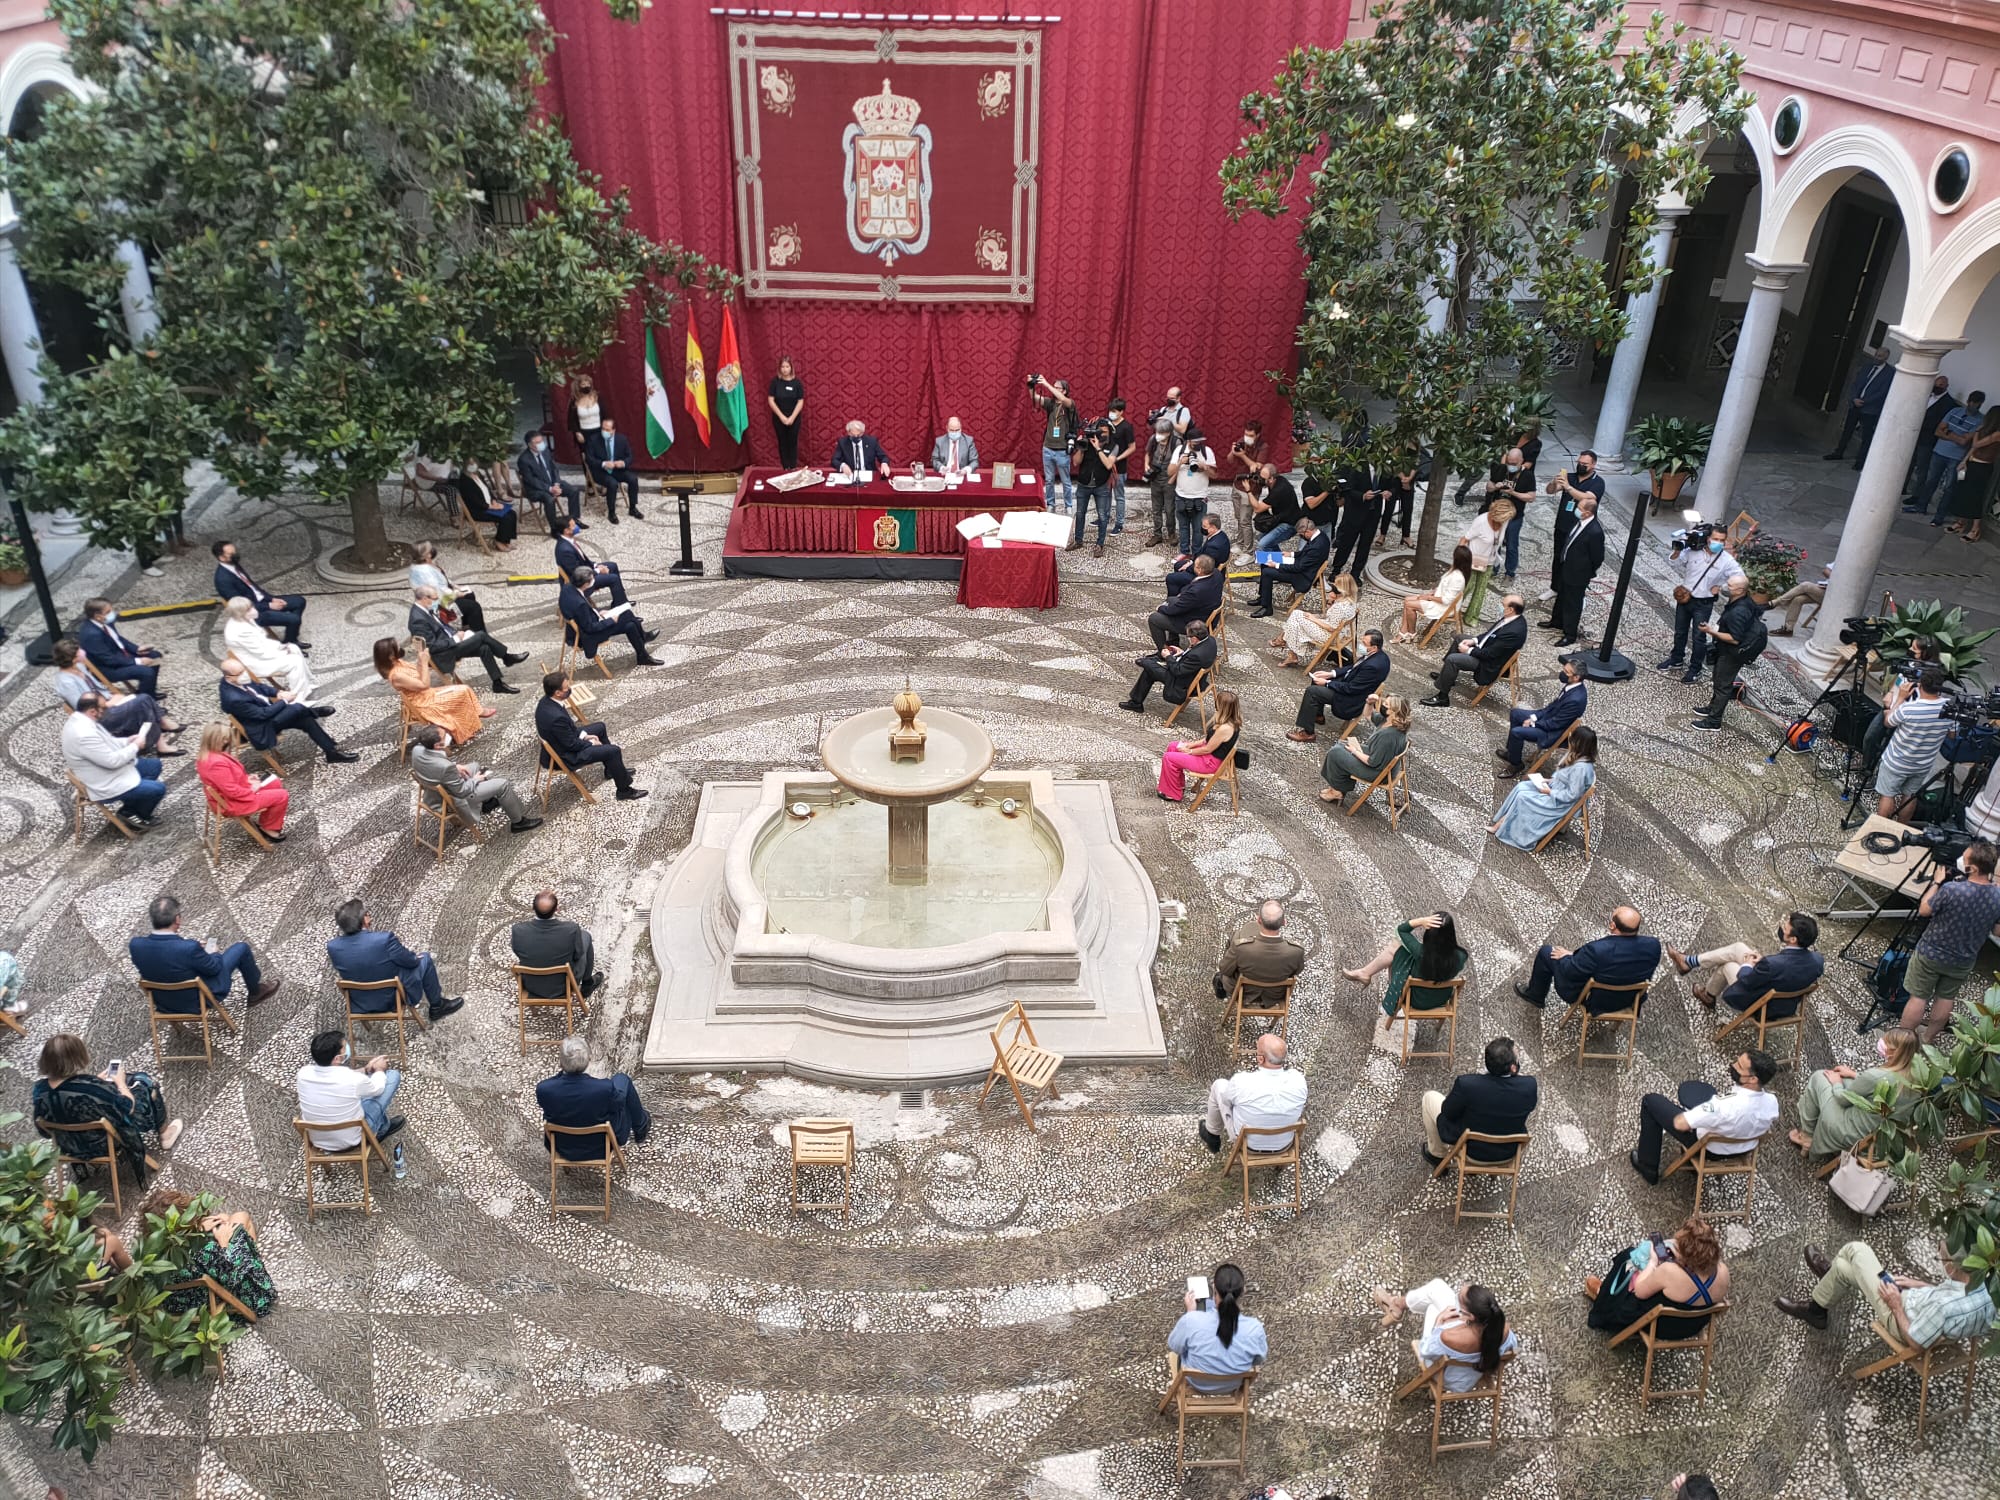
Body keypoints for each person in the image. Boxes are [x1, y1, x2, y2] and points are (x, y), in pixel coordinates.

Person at [1776, 1238, 1995, 1345]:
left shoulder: (1944, 1308)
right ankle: (1822, 1298)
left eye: (1942, 1257)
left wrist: (1896, 1306)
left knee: (1856, 1250)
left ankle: (1824, 1288)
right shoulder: (1985, 1284)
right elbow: (1948, 1297)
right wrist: (1919, 1283)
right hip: (1919, 1307)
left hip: (1902, 1319)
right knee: (1842, 1269)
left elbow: (1916, 1342)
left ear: (1953, 1267)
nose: (1939, 1258)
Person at [33, 1033, 183, 1171]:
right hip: (104, 1144)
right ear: (77, 1057)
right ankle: (165, 1134)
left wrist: (95, 1081)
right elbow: (128, 1107)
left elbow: (44, 1132)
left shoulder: (39, 1091)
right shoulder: (92, 1089)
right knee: (144, 1082)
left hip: (69, 1147)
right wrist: (120, 1082)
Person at [1900, 840, 2000, 1041]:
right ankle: (1928, 1039)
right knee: (1945, 998)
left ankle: (1903, 1042)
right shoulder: (1997, 896)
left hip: (1931, 953)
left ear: (1972, 868)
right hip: (1963, 959)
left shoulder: (1952, 889)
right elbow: (1997, 931)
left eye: (1965, 858)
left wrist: (1936, 882)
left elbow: (1924, 910)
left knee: (1918, 997)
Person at [1629, 1049, 1779, 1183]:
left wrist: (1694, 1116)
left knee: (1651, 1102)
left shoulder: (1723, 1106)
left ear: (1753, 1079)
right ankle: (1689, 1162)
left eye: (1739, 1066)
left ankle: (1647, 1167)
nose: (1733, 1065)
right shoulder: (1772, 1102)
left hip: (1708, 1148)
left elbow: (1680, 1123)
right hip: (1742, 1149)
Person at [1584, 1214, 1730, 1338]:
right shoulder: (1723, 1272)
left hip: (1661, 1325)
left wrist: (1653, 1262)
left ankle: (1603, 1297)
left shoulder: (1669, 1271)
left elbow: (1639, 1291)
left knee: (1627, 1258)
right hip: (1692, 1326)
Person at [130, 894, 280, 1012]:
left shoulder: (135, 945)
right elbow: (214, 969)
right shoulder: (188, 948)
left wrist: (193, 950)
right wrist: (213, 953)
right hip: (197, 1001)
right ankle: (255, 992)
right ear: (177, 919)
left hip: (164, 1004)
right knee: (241, 948)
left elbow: (166, 958)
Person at [145, 1190, 278, 1321]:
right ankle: (254, 1259)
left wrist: (199, 1227)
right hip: (210, 1295)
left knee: (224, 1218)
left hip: (179, 1299)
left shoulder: (151, 1249)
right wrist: (224, 1243)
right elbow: (230, 1276)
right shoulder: (206, 1251)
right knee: (241, 1217)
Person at [326, 897, 466, 1022]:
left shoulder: (333, 947)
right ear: (364, 919)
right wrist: (414, 958)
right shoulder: (384, 940)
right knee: (425, 959)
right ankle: (437, 1006)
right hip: (392, 999)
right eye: (367, 914)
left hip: (361, 1002)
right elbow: (411, 962)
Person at [1791, 1026, 1918, 1157]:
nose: (1881, 1043)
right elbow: (1874, 1088)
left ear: (1893, 1052)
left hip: (1852, 1133)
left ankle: (1806, 1137)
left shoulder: (1875, 1076)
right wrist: (1855, 1075)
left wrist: (1837, 1083)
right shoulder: (1917, 1079)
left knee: (1819, 1077)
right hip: (1880, 1137)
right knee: (1846, 1080)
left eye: (1885, 1043)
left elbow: (1843, 1100)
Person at [1512, 895, 1654, 1012]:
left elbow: (1571, 971)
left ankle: (1535, 995)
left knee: (1546, 952)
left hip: (1595, 1000)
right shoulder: (1653, 947)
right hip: (1629, 999)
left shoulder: (1596, 951)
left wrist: (1569, 956)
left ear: (1612, 926)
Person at [1664, 911, 1824, 1014]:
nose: (1782, 928)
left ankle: (1708, 995)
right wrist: (1761, 962)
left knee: (1728, 966)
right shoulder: (1818, 960)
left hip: (1762, 1005)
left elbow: (1747, 980)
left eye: (1785, 929)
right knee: (1738, 948)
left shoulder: (1772, 964)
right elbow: (1786, 971)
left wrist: (1748, 965)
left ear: (1793, 939)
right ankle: (1689, 962)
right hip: (1784, 1004)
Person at [1368, 1281, 1516, 1390]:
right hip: (1476, 1371)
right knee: (1437, 1288)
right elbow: (1511, 1348)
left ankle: (1396, 1306)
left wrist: (1438, 1323)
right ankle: (1398, 1304)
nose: (1457, 1294)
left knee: (1433, 1307)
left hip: (1449, 1378)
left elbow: (1425, 1351)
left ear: (1470, 1316)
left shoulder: (1449, 1336)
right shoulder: (1502, 1327)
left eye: (1458, 1298)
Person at [1416, 1036, 1536, 1166]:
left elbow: (1447, 1112)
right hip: (1507, 1153)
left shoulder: (1467, 1084)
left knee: (1429, 1098)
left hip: (1470, 1151)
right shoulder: (1529, 1086)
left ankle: (1438, 1155)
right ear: (1513, 1068)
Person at [408, 723, 544, 832]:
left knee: (475, 766)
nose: (448, 735)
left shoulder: (417, 749)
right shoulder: (445, 767)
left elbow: (435, 765)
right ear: (437, 745)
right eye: (444, 736)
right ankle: (518, 822)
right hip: (457, 796)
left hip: (438, 786)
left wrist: (455, 766)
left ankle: (486, 803)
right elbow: (462, 791)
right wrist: (476, 780)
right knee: (503, 785)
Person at [536, 671, 648, 801]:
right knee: (613, 751)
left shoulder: (546, 701)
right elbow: (571, 744)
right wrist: (591, 743)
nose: (569, 689)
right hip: (566, 756)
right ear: (558, 693)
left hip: (562, 742)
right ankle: (624, 791)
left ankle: (611, 769)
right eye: (566, 688)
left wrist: (585, 736)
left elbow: (568, 731)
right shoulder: (556, 718)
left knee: (600, 727)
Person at [61, 692, 169, 827]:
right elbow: (112, 761)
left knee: (154, 766)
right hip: (105, 781)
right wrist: (135, 746)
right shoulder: (83, 735)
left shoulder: (83, 720)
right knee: (158, 789)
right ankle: (136, 814)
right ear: (92, 711)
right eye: (103, 708)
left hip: (108, 771)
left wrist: (128, 741)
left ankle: (130, 807)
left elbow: (108, 742)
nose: (107, 709)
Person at [219, 658, 355, 764]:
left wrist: (278, 693)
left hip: (269, 714)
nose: (244, 674)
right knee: (296, 708)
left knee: (305, 719)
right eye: (240, 673)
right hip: (263, 726)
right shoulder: (233, 698)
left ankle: (331, 752)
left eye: (244, 670)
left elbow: (259, 687)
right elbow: (263, 714)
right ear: (229, 677)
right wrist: (284, 701)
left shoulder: (235, 679)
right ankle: (314, 711)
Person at [539, 1034, 651, 1160]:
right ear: (588, 1060)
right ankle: (641, 1127)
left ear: (560, 1062)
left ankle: (641, 1124)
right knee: (621, 1079)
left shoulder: (544, 1089)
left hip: (562, 1147)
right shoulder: (604, 1088)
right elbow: (618, 1105)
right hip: (602, 1147)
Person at [52, 638, 177, 750]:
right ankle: (161, 729)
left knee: (143, 702)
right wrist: (107, 704)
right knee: (143, 699)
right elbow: (83, 708)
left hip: (106, 703)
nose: (82, 652)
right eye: (79, 651)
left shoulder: (79, 666)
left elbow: (97, 686)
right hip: (100, 716)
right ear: (72, 658)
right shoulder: (65, 682)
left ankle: (160, 733)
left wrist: (111, 696)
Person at [1345, 907, 1467, 1021]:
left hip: (1414, 1000)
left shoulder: (1420, 952)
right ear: (1451, 934)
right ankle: (1365, 973)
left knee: (1396, 948)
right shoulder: (1461, 956)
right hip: (1440, 1000)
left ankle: (1365, 973)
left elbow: (1400, 930)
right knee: (1399, 950)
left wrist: (1421, 921)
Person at [1658, 524, 1745, 682]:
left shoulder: (1727, 561)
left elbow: (1740, 579)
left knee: (1699, 637)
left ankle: (1695, 668)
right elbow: (1674, 563)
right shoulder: (1693, 551)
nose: (1718, 542)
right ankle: (1676, 659)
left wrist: (1722, 587)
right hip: (1686, 598)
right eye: (1715, 539)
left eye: (1722, 540)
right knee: (1680, 631)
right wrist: (1677, 550)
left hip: (1704, 603)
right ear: (1708, 538)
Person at [1490, 724, 1598, 850]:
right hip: (1556, 789)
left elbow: (1572, 795)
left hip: (1560, 802)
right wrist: (1549, 780)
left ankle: (1502, 827)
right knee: (1522, 787)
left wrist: (1549, 792)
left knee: (1523, 797)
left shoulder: (1581, 768)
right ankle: (1502, 824)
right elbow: (1567, 780)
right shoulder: (1577, 757)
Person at [1165, 1263, 1267, 1394]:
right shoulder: (1255, 1328)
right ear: (1242, 1292)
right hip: (1232, 1385)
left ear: (1214, 1289)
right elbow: (1258, 1360)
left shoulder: (1192, 1321)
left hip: (1197, 1382)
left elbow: (1175, 1346)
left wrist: (1191, 1314)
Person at [1687, 574, 1770, 732]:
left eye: (1730, 585)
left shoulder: (1738, 611)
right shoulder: (1743, 601)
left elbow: (1734, 639)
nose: (1726, 587)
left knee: (1722, 686)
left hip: (1732, 653)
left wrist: (1710, 631)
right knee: (1718, 680)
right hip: (1727, 650)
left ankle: (1714, 721)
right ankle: (1712, 708)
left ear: (1740, 590)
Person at [1198, 1033, 1305, 1153]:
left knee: (1219, 1085)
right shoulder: (1299, 1080)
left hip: (1247, 1146)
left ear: (1261, 1059)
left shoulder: (1242, 1081)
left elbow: (1226, 1101)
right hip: (1284, 1145)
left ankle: (1212, 1134)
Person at [296, 1029, 404, 1148]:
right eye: (344, 1047)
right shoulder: (352, 1079)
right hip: (353, 1140)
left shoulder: (303, 1074)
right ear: (337, 1058)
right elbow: (377, 1089)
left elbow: (342, 1077)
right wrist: (379, 1070)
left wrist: (366, 1070)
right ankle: (381, 1131)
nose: (347, 1048)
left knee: (357, 1094)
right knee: (392, 1076)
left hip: (318, 1141)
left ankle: (383, 1125)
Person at [410, 585, 528, 692]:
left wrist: (456, 634)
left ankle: (498, 684)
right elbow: (431, 647)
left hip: (450, 645)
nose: (437, 601)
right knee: (481, 635)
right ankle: (506, 657)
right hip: (443, 654)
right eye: (435, 599)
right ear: (424, 598)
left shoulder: (424, 610)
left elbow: (442, 628)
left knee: (484, 648)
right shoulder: (418, 619)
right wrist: (455, 639)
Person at [374, 636, 493, 740]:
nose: (400, 647)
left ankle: (477, 713)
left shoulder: (399, 662)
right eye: (397, 646)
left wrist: (420, 659)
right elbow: (424, 685)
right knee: (462, 691)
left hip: (427, 695)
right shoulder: (396, 675)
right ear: (390, 656)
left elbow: (418, 673)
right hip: (424, 703)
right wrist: (424, 663)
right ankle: (471, 721)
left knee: (464, 689)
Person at [1873, 665, 1950, 820]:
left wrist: (1900, 698)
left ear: (1920, 684)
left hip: (1897, 761)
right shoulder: (1949, 709)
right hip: (1922, 764)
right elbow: (1952, 733)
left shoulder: (1909, 708)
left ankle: (1880, 828)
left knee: (1887, 795)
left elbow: (1888, 722)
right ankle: (1902, 828)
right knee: (1909, 796)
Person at [1421, 595, 1527, 708]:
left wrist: (1469, 650)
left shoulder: (1514, 632)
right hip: (1487, 649)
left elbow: (1489, 654)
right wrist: (1473, 641)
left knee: (1453, 660)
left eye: (1502, 605)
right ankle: (1447, 677)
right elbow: (1490, 634)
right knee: (1460, 638)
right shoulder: (1512, 617)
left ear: (1510, 609)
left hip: (1488, 663)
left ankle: (1442, 697)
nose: (1500, 606)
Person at [1288, 629, 1392, 742]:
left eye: (1364, 643)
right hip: (1350, 685)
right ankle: (1318, 715)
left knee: (1312, 692)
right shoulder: (1378, 656)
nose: (1361, 645)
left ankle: (1308, 733)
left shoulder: (1373, 666)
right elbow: (1354, 667)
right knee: (1318, 679)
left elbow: (1351, 688)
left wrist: (1327, 683)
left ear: (1374, 647)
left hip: (1350, 699)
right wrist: (1331, 674)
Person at [195, 721, 289, 840]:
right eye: (224, 739)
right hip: (233, 802)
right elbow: (232, 791)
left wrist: (246, 779)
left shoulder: (208, 755)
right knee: (282, 796)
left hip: (231, 796)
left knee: (275, 783)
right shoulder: (215, 763)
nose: (227, 741)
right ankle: (269, 828)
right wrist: (251, 789)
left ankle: (268, 823)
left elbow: (225, 781)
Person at [1496, 655, 1587, 777]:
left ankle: (1516, 765)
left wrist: (1534, 723)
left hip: (1551, 733)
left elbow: (1556, 723)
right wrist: (1535, 717)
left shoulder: (1575, 700)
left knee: (1516, 732)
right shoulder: (1571, 686)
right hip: (1548, 720)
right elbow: (1551, 707)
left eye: (1566, 672)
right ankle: (1512, 753)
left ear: (1576, 677)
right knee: (1515, 713)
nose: (1562, 673)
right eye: (1564, 669)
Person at [1906, 387, 1984, 521]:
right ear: (1968, 400)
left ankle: (1940, 516)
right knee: (1930, 480)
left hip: (1957, 457)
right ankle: (1921, 506)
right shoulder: (1955, 411)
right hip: (1939, 451)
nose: (1972, 405)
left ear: (1980, 404)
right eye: (1971, 402)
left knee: (1949, 487)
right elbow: (1938, 431)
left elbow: (1964, 441)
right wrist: (1955, 435)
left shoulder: (1980, 420)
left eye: (1976, 403)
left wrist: (1947, 432)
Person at [1319, 693, 1410, 805]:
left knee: (1336, 753)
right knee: (1342, 745)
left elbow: (1372, 762)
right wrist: (1369, 703)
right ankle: (1337, 788)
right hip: (1382, 764)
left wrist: (1355, 751)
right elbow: (1368, 715)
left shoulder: (1388, 736)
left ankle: (1337, 791)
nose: (1382, 705)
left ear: (1394, 710)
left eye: (1386, 704)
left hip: (1378, 773)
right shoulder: (1389, 721)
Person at [1211, 898, 1306, 1006]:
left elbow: (1225, 969)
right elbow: (1296, 971)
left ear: (1259, 920)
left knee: (1221, 975)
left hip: (1243, 992)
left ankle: (1221, 993)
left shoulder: (1241, 947)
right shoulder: (1296, 951)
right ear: (1284, 922)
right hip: (1275, 995)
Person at [561, 567, 665, 666]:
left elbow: (583, 614)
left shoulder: (567, 588)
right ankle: (643, 648)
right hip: (588, 636)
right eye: (592, 580)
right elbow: (590, 627)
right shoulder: (580, 604)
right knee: (629, 622)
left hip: (586, 624)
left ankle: (643, 651)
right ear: (585, 584)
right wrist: (611, 620)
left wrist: (598, 612)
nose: (594, 581)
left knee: (629, 621)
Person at [211, 540, 308, 646]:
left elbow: (252, 586)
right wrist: (269, 606)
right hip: (254, 612)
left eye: (235, 552)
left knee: (299, 601)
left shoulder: (234, 565)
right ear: (221, 557)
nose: (236, 555)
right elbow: (242, 606)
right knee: (294, 619)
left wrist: (271, 598)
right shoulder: (223, 580)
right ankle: (291, 641)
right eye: (231, 554)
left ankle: (291, 638)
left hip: (261, 601)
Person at [513, 890, 604, 999]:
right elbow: (577, 955)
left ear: (533, 908)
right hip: (565, 986)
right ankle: (587, 984)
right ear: (557, 909)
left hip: (531, 986)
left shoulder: (518, 930)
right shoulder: (571, 930)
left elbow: (518, 952)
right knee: (586, 936)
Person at [222, 596, 317, 702]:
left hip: (258, 654)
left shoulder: (245, 619)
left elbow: (263, 640)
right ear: (241, 613)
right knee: (295, 661)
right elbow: (261, 653)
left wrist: (281, 647)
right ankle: (297, 696)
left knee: (293, 647)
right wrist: (282, 652)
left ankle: (307, 685)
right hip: (254, 662)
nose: (253, 609)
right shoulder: (240, 631)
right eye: (249, 609)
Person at [1158, 688, 1241, 802]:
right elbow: (1207, 740)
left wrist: (1190, 751)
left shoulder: (1225, 728)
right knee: (1173, 746)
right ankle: (1178, 785)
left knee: (1168, 758)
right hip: (1208, 755)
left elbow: (1207, 749)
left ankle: (1173, 794)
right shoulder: (1228, 721)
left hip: (1209, 762)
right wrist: (1190, 745)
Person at [1122, 619, 1217, 713]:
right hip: (1191, 674)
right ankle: (1136, 702)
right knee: (1150, 669)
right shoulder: (1210, 640)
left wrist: (1168, 656)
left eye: (1188, 637)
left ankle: (1144, 663)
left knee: (1149, 667)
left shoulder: (1196, 655)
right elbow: (1190, 660)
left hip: (1181, 682)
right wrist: (1181, 653)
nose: (1187, 638)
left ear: (1194, 639)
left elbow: (1177, 671)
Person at [1546, 493, 1603, 646]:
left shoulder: (1595, 532)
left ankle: (1570, 634)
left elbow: (1597, 557)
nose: (1576, 510)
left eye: (1579, 508)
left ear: (1588, 513)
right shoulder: (1578, 522)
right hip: (1566, 567)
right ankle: (1556, 621)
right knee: (1561, 595)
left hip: (1578, 574)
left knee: (1573, 603)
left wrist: (1586, 572)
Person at [78, 598, 164, 696]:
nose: (112, 613)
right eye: (108, 612)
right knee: (147, 672)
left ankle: (147, 691)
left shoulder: (104, 622)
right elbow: (109, 659)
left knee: (155, 656)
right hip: (108, 668)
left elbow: (117, 638)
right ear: (98, 617)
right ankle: (147, 699)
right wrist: (138, 661)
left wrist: (136, 649)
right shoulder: (91, 635)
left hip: (119, 656)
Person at [1824, 346, 1893, 466]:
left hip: (1870, 409)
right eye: (1876, 355)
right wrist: (1854, 398)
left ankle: (1860, 461)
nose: (1877, 358)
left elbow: (1883, 392)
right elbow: (1856, 383)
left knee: (1866, 435)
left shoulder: (1889, 373)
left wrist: (1865, 401)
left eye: (1880, 356)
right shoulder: (1867, 367)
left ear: (1886, 357)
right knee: (1847, 430)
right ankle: (1839, 452)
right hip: (1855, 404)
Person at [1249, 517, 1329, 617]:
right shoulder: (1319, 536)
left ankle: (1267, 608)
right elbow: (1306, 554)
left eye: (1301, 534)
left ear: (1308, 532)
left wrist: (1277, 565)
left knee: (1267, 572)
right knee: (1265, 564)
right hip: (1302, 567)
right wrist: (1291, 554)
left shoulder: (1317, 547)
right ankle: (1263, 597)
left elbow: (1298, 567)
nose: (1301, 537)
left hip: (1302, 575)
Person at [1276, 571, 1359, 668]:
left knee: (1295, 616)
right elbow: (1331, 617)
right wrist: (1330, 603)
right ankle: (1286, 647)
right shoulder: (1350, 602)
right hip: (1340, 633)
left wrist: (1313, 618)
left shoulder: (1340, 607)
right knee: (1296, 620)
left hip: (1329, 636)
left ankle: (1284, 643)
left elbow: (1331, 628)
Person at [1943, 406, 2000, 542]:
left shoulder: (1997, 434)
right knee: (1964, 493)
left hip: (1983, 467)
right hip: (1972, 463)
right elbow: (1972, 449)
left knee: (1975, 496)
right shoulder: (1986, 430)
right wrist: (1964, 460)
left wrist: (1977, 432)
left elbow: (1977, 444)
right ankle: (1961, 522)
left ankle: (1975, 529)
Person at [1395, 544, 1471, 643]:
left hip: (1443, 607)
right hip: (1438, 599)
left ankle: (1411, 633)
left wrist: (1428, 598)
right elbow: (1444, 587)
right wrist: (1432, 593)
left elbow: (1446, 600)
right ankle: (1404, 632)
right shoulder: (1454, 571)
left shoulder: (1458, 578)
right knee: (1407, 599)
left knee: (1409, 605)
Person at [1483, 447, 1538, 580]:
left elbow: (1531, 497)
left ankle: (1510, 572)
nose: (1511, 466)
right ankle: (1493, 568)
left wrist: (1513, 493)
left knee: (1512, 545)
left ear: (1521, 461)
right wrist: (1495, 487)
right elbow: (1488, 486)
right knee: (1494, 542)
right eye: (1509, 463)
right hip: (1497, 513)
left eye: (1514, 463)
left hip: (1514, 516)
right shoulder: (1500, 469)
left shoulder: (1528, 476)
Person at [409, 540, 488, 633]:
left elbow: (441, 579)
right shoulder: (425, 572)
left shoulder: (422, 565)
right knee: (474, 607)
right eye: (430, 549)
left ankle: (467, 625)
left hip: (442, 596)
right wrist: (456, 594)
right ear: (427, 555)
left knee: (470, 595)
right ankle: (480, 635)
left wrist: (454, 586)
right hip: (438, 605)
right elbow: (439, 592)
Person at [1147, 554, 1223, 650]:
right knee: (1171, 599)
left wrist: (1161, 608)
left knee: (1154, 619)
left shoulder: (1196, 591)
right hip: (1208, 613)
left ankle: (1163, 651)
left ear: (1199, 570)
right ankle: (1173, 640)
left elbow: (1177, 609)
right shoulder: (1217, 574)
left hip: (1196, 622)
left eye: (1195, 565)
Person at [1066, 417, 1117, 556]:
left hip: (1101, 485)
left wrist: (1098, 448)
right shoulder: (1087, 442)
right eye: (1100, 431)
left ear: (1110, 432)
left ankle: (1100, 544)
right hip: (1084, 484)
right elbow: (1075, 462)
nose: (1102, 434)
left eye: (1105, 432)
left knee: (1102, 516)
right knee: (1080, 513)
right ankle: (1078, 541)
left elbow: (1108, 464)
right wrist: (1081, 448)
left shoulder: (1113, 446)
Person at [1456, 501, 1511, 626]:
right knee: (1467, 586)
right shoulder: (1481, 521)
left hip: (1489, 560)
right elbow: (1465, 539)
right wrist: (1459, 560)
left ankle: (1471, 617)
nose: (1504, 522)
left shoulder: (1505, 521)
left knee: (1480, 590)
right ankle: (1452, 609)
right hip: (1473, 559)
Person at [1544, 452, 1605, 564]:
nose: (1581, 466)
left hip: (1580, 527)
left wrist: (1568, 487)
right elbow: (1550, 491)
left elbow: (1587, 497)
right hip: (1562, 525)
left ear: (1593, 465)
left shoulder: (1598, 482)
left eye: (1585, 464)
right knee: (1558, 557)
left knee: (1574, 559)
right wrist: (1553, 482)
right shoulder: (1570, 477)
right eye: (1579, 463)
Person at [554, 516, 629, 606]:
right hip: (580, 582)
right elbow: (577, 574)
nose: (577, 526)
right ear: (566, 531)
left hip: (584, 572)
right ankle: (622, 606)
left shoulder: (568, 541)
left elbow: (583, 560)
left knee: (612, 566)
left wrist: (595, 565)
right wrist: (598, 571)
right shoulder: (565, 550)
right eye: (573, 526)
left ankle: (621, 600)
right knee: (614, 578)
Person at [517, 429, 583, 531]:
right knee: (549, 499)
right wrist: (550, 489)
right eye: (537, 442)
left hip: (552, 483)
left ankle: (573, 520)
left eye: (541, 441)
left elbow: (554, 468)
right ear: (529, 445)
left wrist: (556, 483)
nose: (541, 444)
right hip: (536, 489)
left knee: (573, 490)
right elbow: (531, 480)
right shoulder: (524, 460)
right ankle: (554, 528)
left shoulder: (545, 451)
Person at [1325, 473, 1382, 585]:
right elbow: (1347, 488)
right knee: (1346, 542)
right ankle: (1336, 569)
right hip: (1355, 512)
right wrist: (1362, 496)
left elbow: (1389, 485)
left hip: (1373, 513)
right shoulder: (1357, 467)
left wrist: (1389, 492)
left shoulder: (1382, 468)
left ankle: (1356, 573)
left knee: (1365, 544)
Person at [1031, 375, 1077, 511]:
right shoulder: (1050, 403)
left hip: (1062, 449)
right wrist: (1031, 386)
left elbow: (1063, 400)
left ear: (1064, 391)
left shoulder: (1069, 403)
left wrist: (1046, 384)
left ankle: (1068, 505)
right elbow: (1035, 398)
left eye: (1057, 388)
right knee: (1049, 480)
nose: (1054, 389)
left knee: (1066, 481)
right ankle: (1050, 504)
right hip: (1048, 448)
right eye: (1054, 387)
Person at [1168, 426, 1218, 551]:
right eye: (1195, 442)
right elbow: (1169, 472)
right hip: (1181, 496)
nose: (1197, 445)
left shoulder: (1207, 451)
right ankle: (1184, 551)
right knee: (1183, 527)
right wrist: (1180, 462)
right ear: (1188, 441)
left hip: (1200, 497)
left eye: (1199, 442)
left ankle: (1197, 553)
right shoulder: (1180, 450)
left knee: (1198, 529)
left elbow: (1214, 475)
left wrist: (1205, 467)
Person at [585, 414, 643, 522]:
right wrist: (603, 464)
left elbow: (630, 456)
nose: (604, 431)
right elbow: (589, 459)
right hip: (600, 471)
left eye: (607, 430)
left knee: (633, 479)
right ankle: (611, 512)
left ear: (613, 430)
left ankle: (633, 508)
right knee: (612, 484)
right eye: (603, 429)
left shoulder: (622, 439)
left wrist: (623, 463)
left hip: (617, 469)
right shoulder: (593, 440)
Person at [452, 462, 518, 547]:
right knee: (506, 517)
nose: (472, 464)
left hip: (488, 506)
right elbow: (473, 500)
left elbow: (488, 490)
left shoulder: (478, 474)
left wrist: (493, 500)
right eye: (470, 462)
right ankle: (499, 541)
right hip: (477, 510)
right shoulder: (465, 480)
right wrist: (491, 507)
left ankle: (506, 541)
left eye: (473, 462)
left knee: (512, 513)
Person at [1224, 420, 1268, 542]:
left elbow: (1256, 467)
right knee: (1239, 517)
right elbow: (1230, 460)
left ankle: (1247, 548)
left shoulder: (1263, 447)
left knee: (1245, 521)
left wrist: (1242, 456)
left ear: (1258, 435)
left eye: (1250, 435)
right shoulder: (1241, 441)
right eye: (1246, 434)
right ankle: (1240, 541)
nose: (1247, 437)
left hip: (1251, 488)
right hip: (1237, 484)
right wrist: (1233, 452)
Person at [1766, 559, 1832, 638]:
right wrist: (1835, 577)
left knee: (1805, 585)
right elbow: (1825, 570)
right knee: (1798, 599)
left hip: (1833, 597)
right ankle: (1788, 629)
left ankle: (1775, 602)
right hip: (1824, 590)